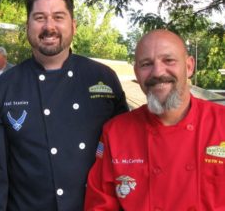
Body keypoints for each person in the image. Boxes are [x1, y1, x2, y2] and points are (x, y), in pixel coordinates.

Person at [0, 0, 128, 211]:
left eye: (58, 17)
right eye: (39, 18)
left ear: (73, 26)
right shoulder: (3, 88)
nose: (49, 27)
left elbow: (125, 152)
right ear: (28, 26)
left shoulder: (103, 78)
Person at [84, 29, 225, 211]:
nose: (157, 72)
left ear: (189, 67)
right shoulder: (115, 132)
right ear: (136, 72)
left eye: (169, 60)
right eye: (146, 64)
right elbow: (100, 205)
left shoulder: (221, 123)